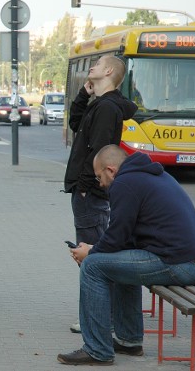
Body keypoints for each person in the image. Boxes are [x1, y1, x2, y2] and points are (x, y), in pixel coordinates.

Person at [57, 145, 195, 366]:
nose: (99, 183)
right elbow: (122, 240)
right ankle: (129, 341)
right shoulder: (149, 175)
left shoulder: (125, 183)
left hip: (181, 264)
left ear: (111, 170)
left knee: (93, 266)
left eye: (99, 176)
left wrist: (89, 252)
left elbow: (116, 236)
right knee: (117, 259)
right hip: (192, 261)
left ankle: (97, 350)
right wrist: (95, 247)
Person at [64, 55, 138, 333]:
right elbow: (75, 124)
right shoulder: (100, 103)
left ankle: (98, 319)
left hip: (90, 193)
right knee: (91, 255)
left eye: (96, 64)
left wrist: (83, 187)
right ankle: (97, 316)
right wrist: (84, 93)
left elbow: (99, 151)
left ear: (108, 71)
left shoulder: (107, 108)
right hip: (87, 191)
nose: (90, 67)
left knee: (92, 257)